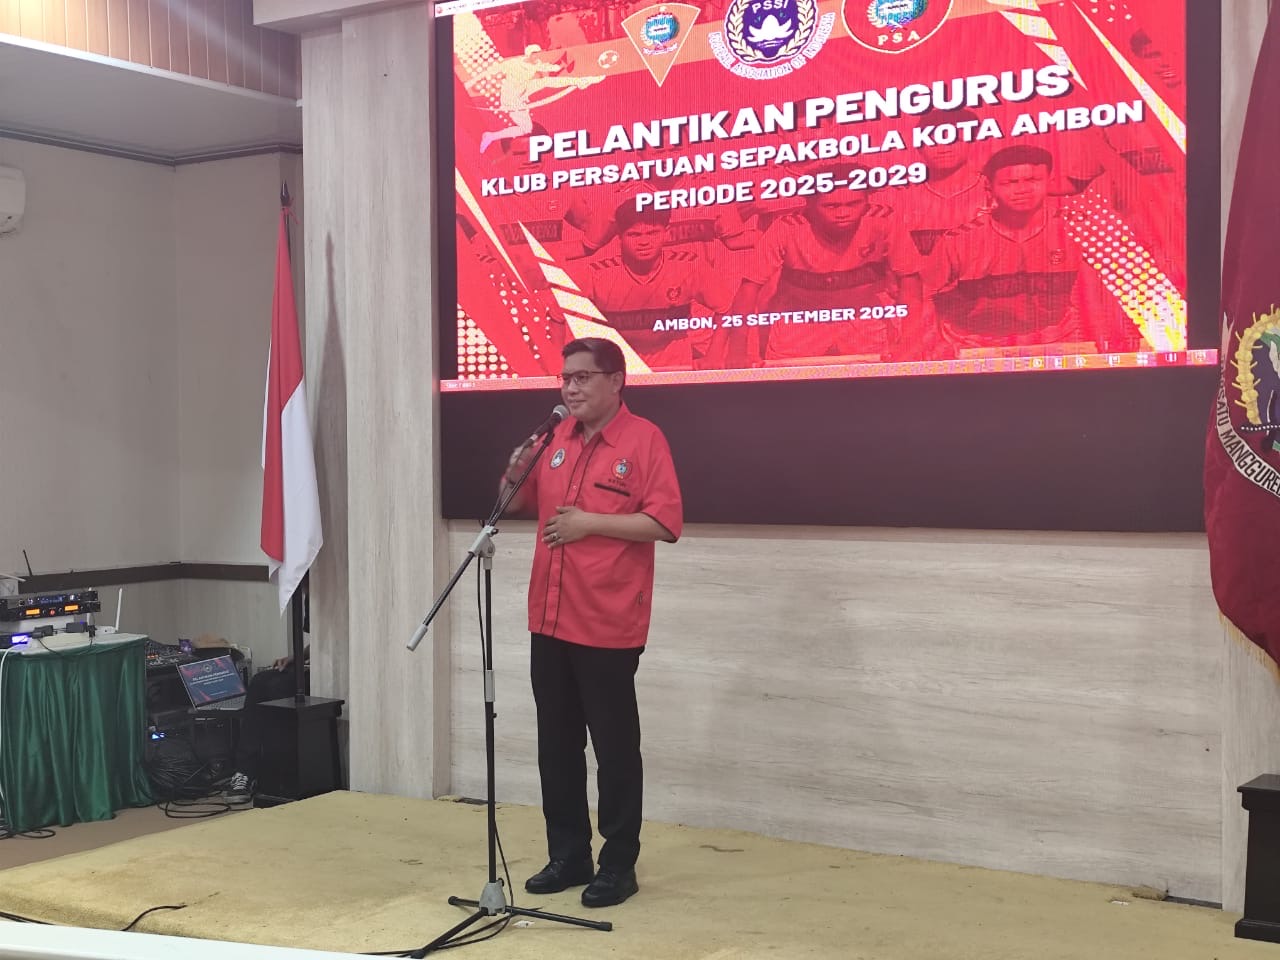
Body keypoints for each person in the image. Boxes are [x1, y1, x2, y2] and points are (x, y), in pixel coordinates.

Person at [501, 337, 683, 908]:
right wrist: (513, 472)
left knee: (614, 748)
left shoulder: (644, 439)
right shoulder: (555, 438)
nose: (571, 388)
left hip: (606, 621)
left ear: (616, 381)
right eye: (565, 378)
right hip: (549, 616)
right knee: (556, 745)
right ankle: (568, 855)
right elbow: (513, 504)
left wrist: (591, 523)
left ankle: (618, 864)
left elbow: (665, 522)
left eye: (583, 377)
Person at [926, 145, 1132, 353]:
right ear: (989, 186)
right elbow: (925, 301)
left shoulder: (1077, 230)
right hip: (975, 344)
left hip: (1057, 340)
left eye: (1033, 180)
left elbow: (1114, 290)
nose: (1022, 189)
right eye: (1010, 183)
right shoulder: (958, 241)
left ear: (1049, 182)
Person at [730, 164, 925, 364]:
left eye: (853, 204)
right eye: (831, 206)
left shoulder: (883, 220)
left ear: (867, 199)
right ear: (810, 204)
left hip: (864, 313)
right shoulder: (786, 228)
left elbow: (910, 279)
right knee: (788, 378)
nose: (843, 212)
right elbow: (749, 287)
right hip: (801, 316)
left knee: (880, 375)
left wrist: (910, 341)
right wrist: (737, 349)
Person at [577, 204, 735, 370]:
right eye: (634, 235)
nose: (644, 242)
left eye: (653, 233)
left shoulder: (689, 266)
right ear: (620, 237)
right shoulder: (596, 274)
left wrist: (714, 355)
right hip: (615, 364)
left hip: (674, 364)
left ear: (666, 233)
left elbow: (725, 308)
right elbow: (565, 314)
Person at [225, 647, 309, 802]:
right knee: (260, 681)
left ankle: (284, 775)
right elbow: (320, 640)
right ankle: (245, 771)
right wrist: (298, 657)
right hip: (312, 666)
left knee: (278, 687)